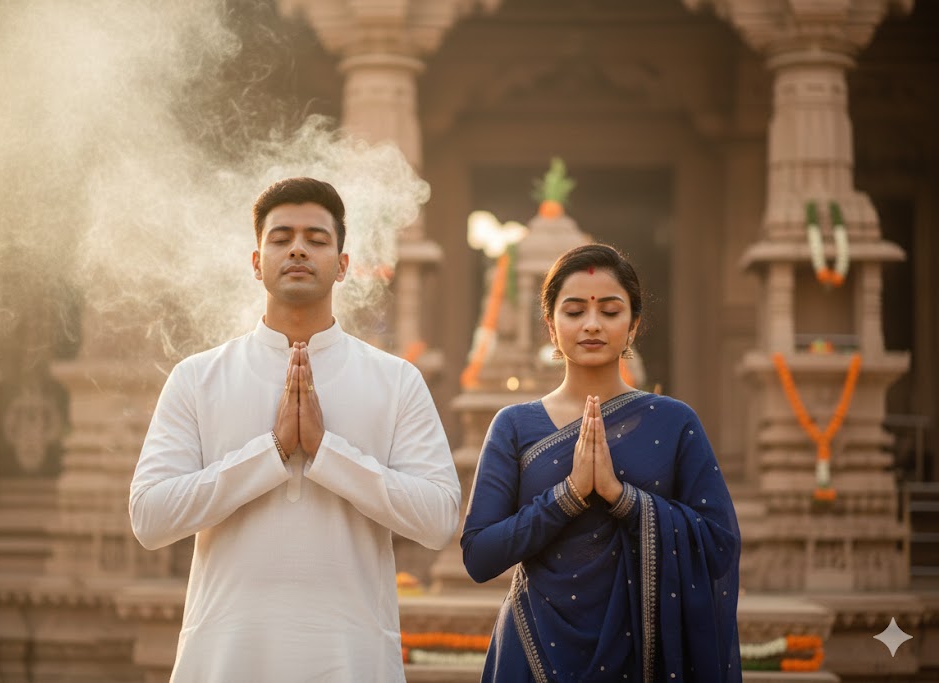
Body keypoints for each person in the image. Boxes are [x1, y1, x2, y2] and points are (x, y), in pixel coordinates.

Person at [129, 177, 461, 682]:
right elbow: (150, 518)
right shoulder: (198, 377)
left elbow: (438, 520)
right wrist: (272, 453)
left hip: (350, 656)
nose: (299, 249)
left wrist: (329, 454)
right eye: (281, 238)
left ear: (344, 264)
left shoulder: (395, 380)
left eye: (317, 239)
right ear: (257, 261)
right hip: (226, 655)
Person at [461, 244, 741, 682]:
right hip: (532, 649)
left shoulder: (673, 422)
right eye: (574, 311)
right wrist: (566, 497)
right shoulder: (513, 425)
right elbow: (479, 555)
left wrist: (621, 496)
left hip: (642, 653)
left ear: (634, 326)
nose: (592, 324)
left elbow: (718, 542)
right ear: (551, 327)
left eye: (610, 311)